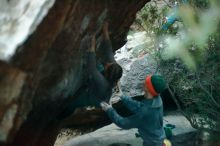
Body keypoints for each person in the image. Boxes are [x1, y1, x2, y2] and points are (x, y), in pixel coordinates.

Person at [58, 22, 122, 120]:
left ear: (107, 73)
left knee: (74, 102)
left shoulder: (102, 84)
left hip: (95, 97)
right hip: (102, 82)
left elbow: (91, 69)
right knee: (98, 64)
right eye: (111, 63)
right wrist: (105, 30)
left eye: (109, 66)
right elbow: (108, 50)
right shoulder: (114, 69)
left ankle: (62, 114)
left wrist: (92, 47)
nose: (108, 63)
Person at [100, 74, 167, 146]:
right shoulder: (157, 99)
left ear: (148, 88)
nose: (143, 83)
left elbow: (123, 123)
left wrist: (109, 110)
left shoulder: (145, 113)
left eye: (145, 82)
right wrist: (122, 96)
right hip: (160, 140)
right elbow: (139, 106)